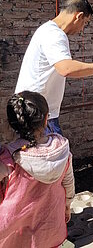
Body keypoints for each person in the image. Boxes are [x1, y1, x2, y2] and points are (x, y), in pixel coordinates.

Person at [15, 0, 93, 135]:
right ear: (78, 16)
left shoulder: (47, 30)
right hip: (37, 113)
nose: (82, 29)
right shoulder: (54, 34)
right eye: (85, 23)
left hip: (34, 110)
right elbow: (66, 68)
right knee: (55, 154)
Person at [0, 91, 75, 247]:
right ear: (47, 118)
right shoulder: (61, 150)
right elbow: (68, 184)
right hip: (51, 228)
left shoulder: (8, 158)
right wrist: (67, 206)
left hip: (18, 234)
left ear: (12, 123)